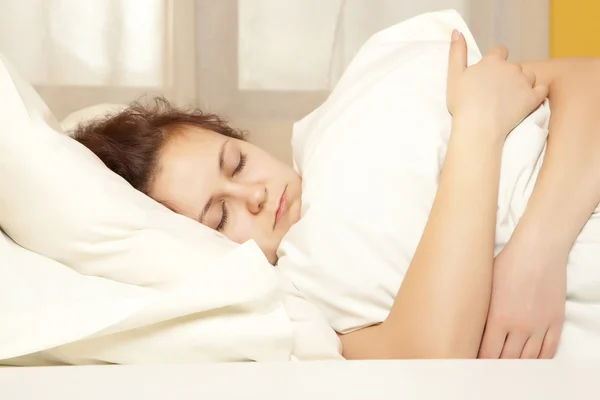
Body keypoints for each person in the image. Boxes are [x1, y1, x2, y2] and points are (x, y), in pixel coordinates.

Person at [74, 31, 600, 360]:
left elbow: (587, 83)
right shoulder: (298, 300)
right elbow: (431, 356)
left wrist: (533, 256)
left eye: (235, 161)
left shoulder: (353, 115)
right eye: (218, 217)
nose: (253, 195)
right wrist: (478, 127)